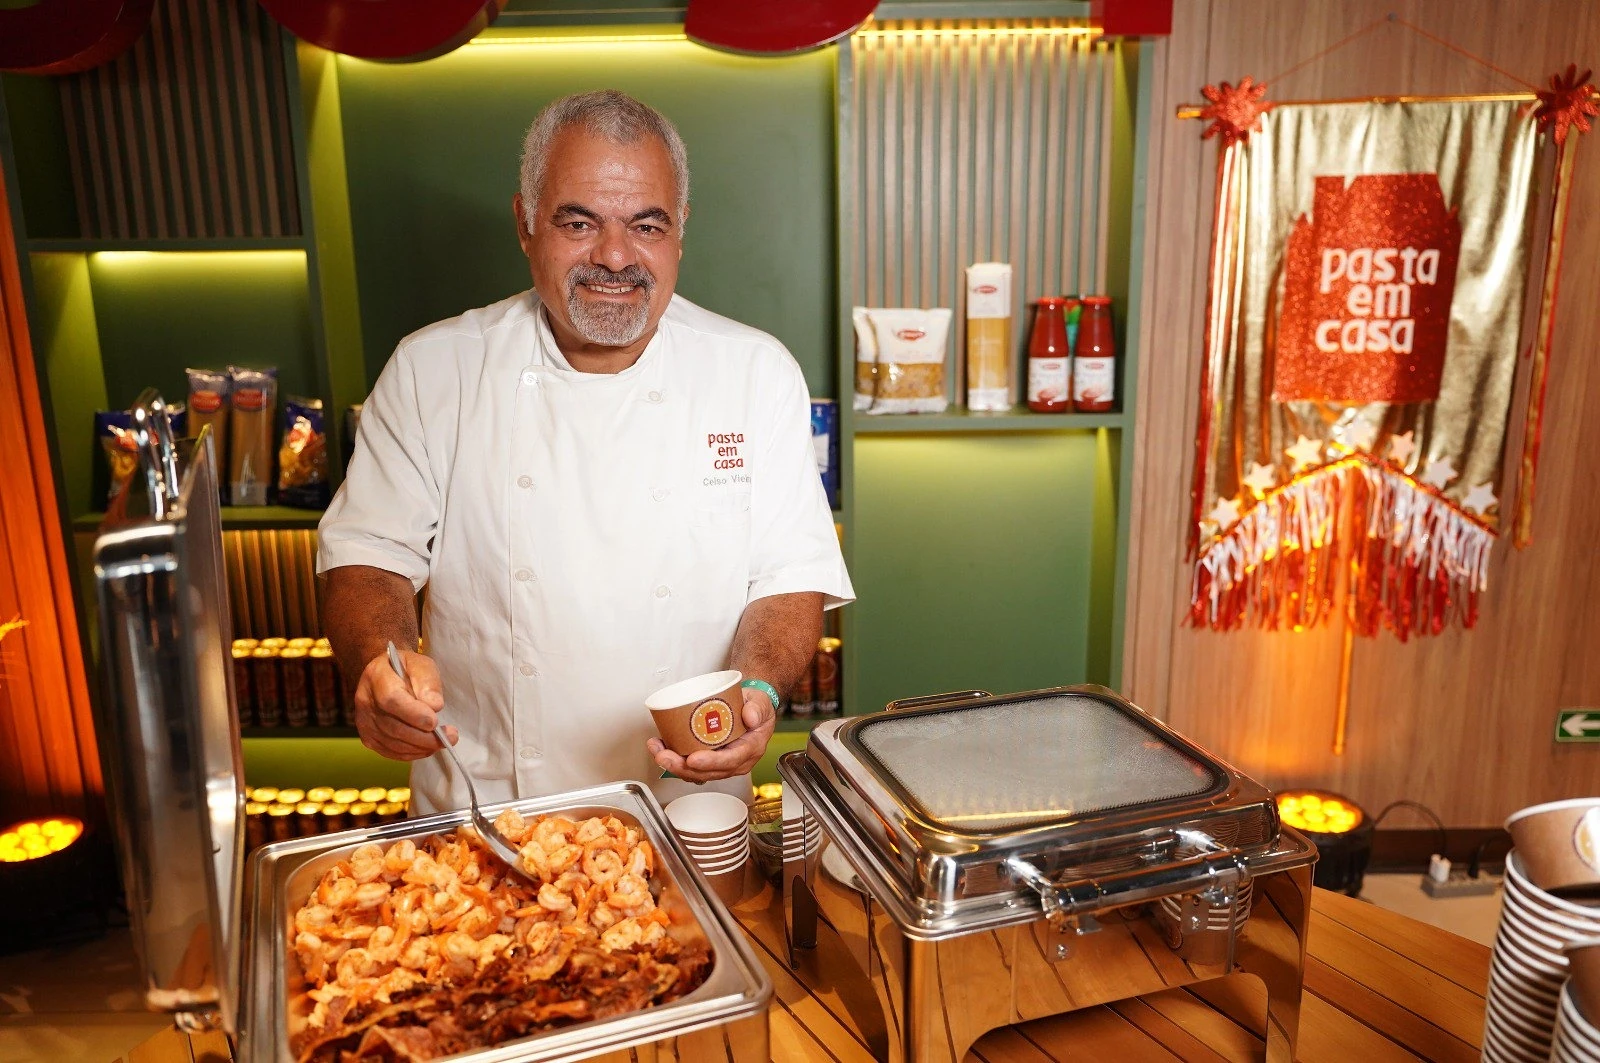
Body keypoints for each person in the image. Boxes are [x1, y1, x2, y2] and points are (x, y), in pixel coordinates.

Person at [317, 90, 853, 815]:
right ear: (525, 224)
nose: (614, 256)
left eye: (646, 225)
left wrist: (756, 691)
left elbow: (790, 575)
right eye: (579, 221)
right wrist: (380, 663)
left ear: (680, 232)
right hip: (490, 822)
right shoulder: (433, 369)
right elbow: (367, 555)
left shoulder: (754, 372)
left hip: (690, 810)